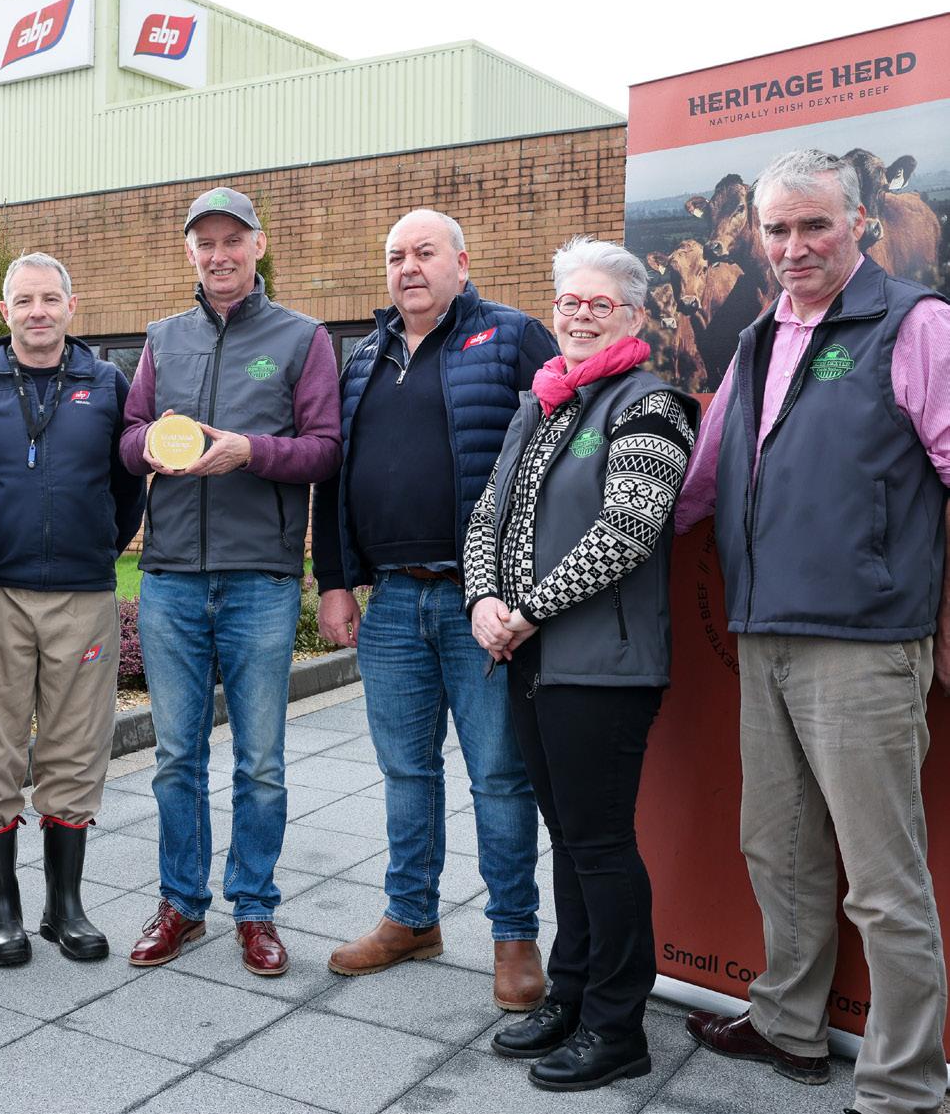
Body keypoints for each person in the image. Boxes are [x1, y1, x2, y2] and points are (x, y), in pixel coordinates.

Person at [676, 147, 950, 1114]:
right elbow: (702, 482)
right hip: (764, 631)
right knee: (778, 846)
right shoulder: (757, 340)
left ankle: (905, 1085)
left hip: (864, 640)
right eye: (778, 229)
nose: (794, 246)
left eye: (815, 225)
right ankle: (790, 1024)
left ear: (861, 223)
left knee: (882, 876)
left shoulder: (916, 324)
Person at [464, 237, 697, 1090]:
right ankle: (570, 994)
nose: (582, 316)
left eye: (602, 304)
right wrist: (483, 600)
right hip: (532, 660)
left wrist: (525, 611)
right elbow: (487, 511)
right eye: (570, 302)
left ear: (634, 316)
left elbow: (627, 531)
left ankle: (617, 1024)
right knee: (566, 838)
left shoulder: (651, 403)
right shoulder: (543, 401)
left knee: (599, 844)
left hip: (603, 665)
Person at [312, 209, 556, 1008]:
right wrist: (335, 578)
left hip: (479, 603)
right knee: (406, 770)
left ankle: (514, 936)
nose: (408, 267)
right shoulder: (365, 357)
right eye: (395, 255)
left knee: (499, 775)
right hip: (392, 601)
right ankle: (411, 916)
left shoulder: (513, 337)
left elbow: (557, 460)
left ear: (462, 260)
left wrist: (522, 588)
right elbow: (334, 475)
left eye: (424, 252)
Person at [120, 186, 341, 977]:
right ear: (191, 251)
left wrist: (252, 450)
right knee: (176, 756)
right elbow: (128, 436)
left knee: (261, 761)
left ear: (258, 245)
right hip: (172, 576)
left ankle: (255, 908)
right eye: (205, 243)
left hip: (260, 578)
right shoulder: (162, 338)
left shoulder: (302, 338)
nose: (219, 255)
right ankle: (181, 901)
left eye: (232, 240)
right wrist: (151, 446)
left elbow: (325, 448)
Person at [0, 252, 144, 965]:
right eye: (24, 300)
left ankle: (65, 906)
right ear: (5, 311)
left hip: (84, 594)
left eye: (50, 299)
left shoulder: (107, 383)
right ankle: (3, 908)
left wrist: (99, 543)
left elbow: (128, 484)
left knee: (76, 747)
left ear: (70, 305)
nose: (37, 312)